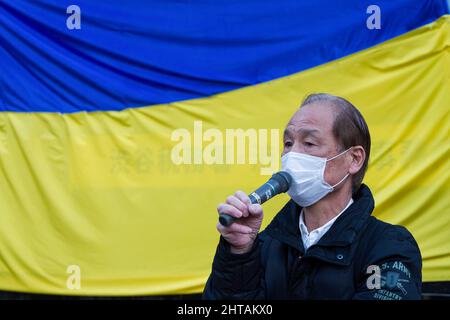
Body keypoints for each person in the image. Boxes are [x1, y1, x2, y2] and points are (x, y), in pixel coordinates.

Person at [203, 93, 422, 300]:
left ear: (354, 159)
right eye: (288, 143)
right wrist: (239, 254)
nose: (292, 154)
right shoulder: (264, 244)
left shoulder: (389, 247)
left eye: (309, 143)